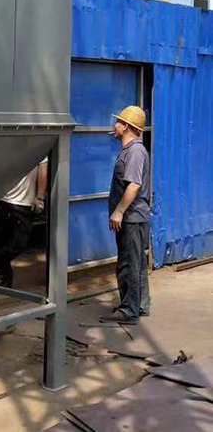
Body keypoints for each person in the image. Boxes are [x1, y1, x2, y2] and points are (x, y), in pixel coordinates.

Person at [99, 105, 151, 326]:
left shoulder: (135, 152)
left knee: (129, 264)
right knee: (136, 263)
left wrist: (119, 211)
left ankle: (129, 310)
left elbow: (134, 185)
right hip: (134, 218)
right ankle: (139, 305)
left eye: (118, 122)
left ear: (127, 127)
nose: (115, 125)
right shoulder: (130, 150)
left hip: (131, 218)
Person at [0, 158, 48, 288]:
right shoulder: (39, 149)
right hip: (21, 204)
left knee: (4, 242)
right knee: (18, 242)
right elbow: (43, 172)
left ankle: (3, 277)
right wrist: (39, 198)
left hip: (4, 202)